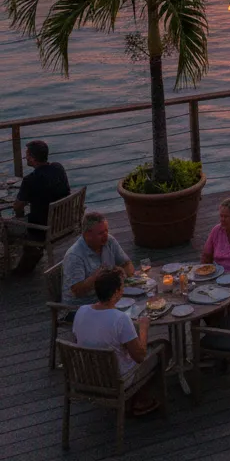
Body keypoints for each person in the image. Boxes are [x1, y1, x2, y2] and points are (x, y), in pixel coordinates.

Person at [72, 267, 163, 413]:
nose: (123, 289)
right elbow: (140, 357)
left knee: (123, 347)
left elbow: (84, 338)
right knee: (163, 348)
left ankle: (134, 398)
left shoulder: (81, 311)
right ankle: (140, 400)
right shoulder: (120, 319)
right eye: (122, 287)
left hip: (88, 376)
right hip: (117, 380)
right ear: (115, 293)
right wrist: (143, 328)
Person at [8, 139, 70, 275]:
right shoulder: (58, 168)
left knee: (5, 227)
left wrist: (23, 197)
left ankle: (21, 265)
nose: (25, 157)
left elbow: (17, 207)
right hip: (63, 222)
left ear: (32, 158)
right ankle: (30, 256)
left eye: (27, 155)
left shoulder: (30, 180)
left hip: (42, 230)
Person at [62, 212, 135, 305]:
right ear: (87, 235)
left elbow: (128, 265)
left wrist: (121, 273)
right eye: (101, 233)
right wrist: (97, 277)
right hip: (80, 307)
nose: (105, 235)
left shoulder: (109, 241)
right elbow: (77, 291)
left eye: (106, 231)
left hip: (107, 299)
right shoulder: (74, 256)